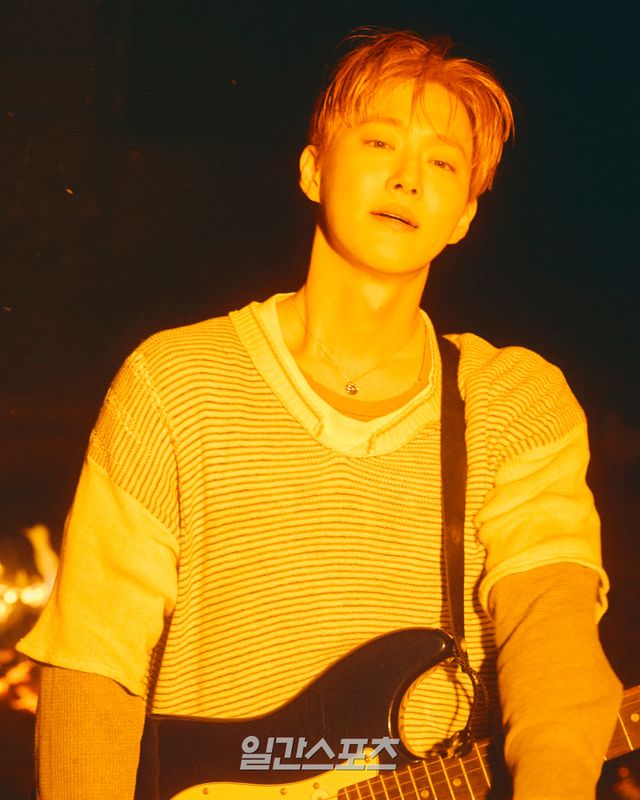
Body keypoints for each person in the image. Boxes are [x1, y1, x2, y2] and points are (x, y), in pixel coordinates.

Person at [19, 29, 621, 799]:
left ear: (465, 215)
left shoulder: (514, 399)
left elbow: (552, 638)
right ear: (312, 168)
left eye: (443, 163)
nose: (407, 178)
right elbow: (93, 664)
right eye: (380, 142)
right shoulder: (174, 382)